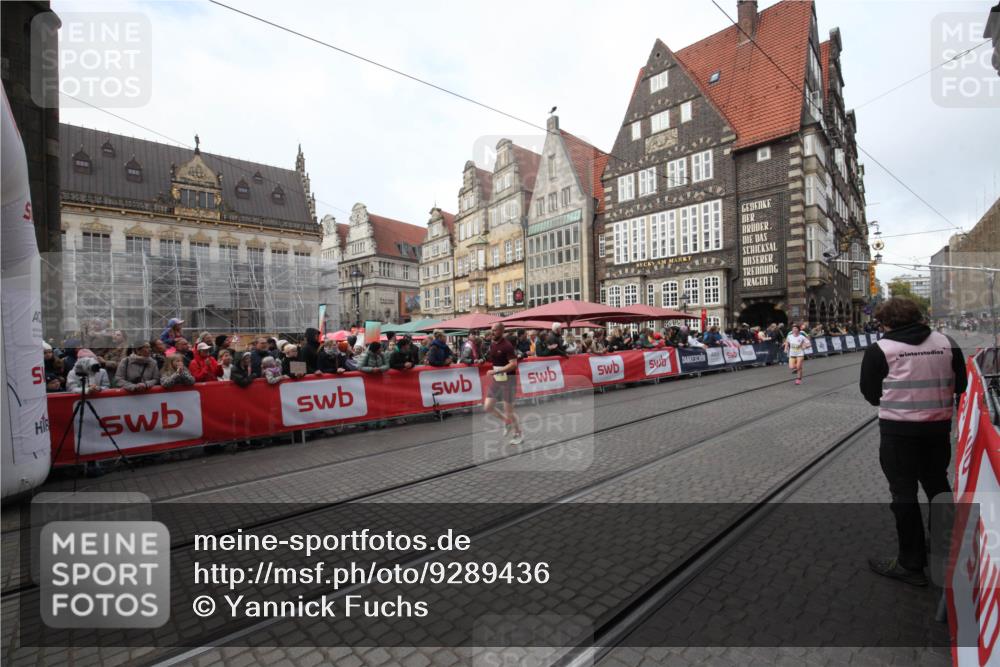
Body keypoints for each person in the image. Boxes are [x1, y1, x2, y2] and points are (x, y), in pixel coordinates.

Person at [860, 297, 967, 587]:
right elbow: (961, 385)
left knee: (903, 494)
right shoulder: (947, 342)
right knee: (938, 485)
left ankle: (911, 563)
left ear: (886, 322)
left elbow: (870, 394)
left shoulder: (880, 349)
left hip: (898, 433)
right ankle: (946, 550)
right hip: (937, 429)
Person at [484, 322, 522, 445]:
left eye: (495, 330)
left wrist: (497, 371)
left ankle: (518, 434)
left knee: (508, 410)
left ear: (501, 331)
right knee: (488, 406)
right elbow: (493, 358)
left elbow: (513, 364)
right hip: (498, 379)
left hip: (509, 380)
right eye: (491, 330)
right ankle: (507, 422)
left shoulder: (507, 346)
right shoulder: (492, 344)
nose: (492, 332)